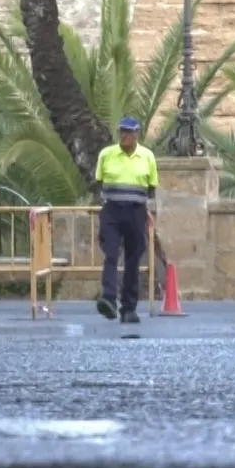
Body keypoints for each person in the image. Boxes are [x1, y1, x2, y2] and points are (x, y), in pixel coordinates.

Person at [94, 115, 157, 323]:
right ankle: (109, 299)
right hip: (112, 211)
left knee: (133, 260)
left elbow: (151, 189)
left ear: (136, 134)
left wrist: (147, 211)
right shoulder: (107, 155)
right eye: (121, 131)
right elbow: (99, 183)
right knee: (110, 254)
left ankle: (129, 308)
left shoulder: (147, 157)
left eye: (128, 132)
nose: (124, 135)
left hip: (136, 212)